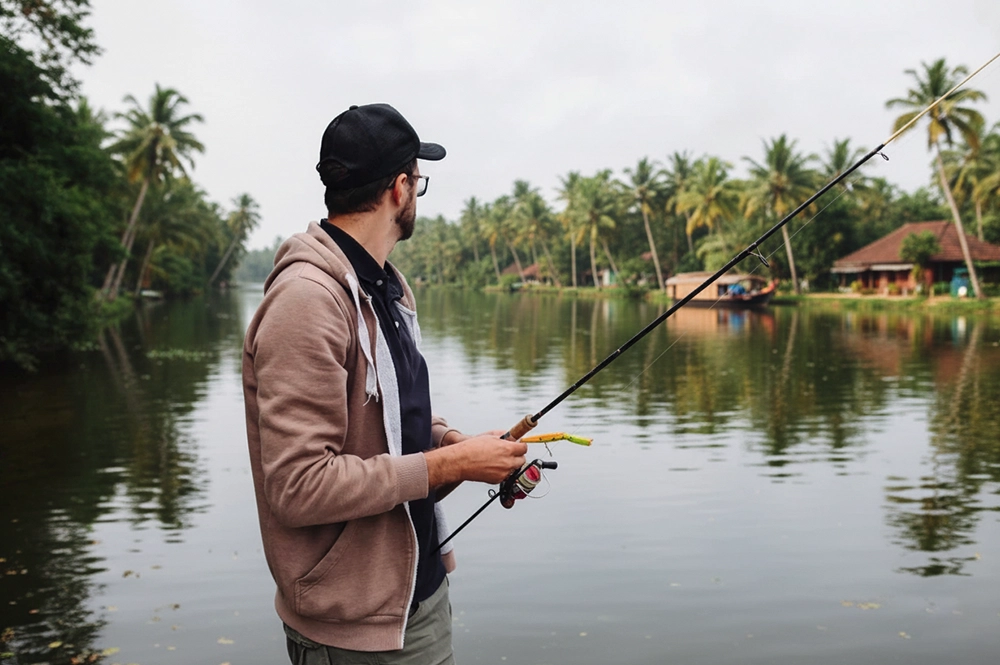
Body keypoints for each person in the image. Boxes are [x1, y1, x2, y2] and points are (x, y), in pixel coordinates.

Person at [242, 103, 528, 664]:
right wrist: (455, 466)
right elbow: (299, 486)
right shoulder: (307, 301)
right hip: (352, 630)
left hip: (412, 599)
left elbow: (394, 425)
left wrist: (461, 447)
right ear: (401, 188)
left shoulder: (384, 289)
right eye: (418, 180)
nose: (417, 191)